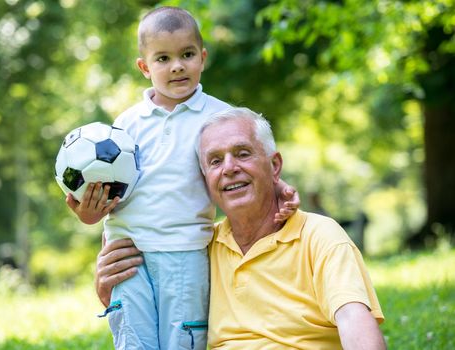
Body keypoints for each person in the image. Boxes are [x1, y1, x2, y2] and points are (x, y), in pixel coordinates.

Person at [65, 7, 299, 350]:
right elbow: (108, 190)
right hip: (127, 251)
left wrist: (280, 188)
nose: (177, 65)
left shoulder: (219, 116)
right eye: (163, 58)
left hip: (185, 252)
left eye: (186, 54)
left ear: (202, 58)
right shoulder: (125, 125)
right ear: (144, 67)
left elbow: (251, 163)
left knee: (183, 340)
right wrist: (90, 215)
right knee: (133, 340)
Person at [96, 107, 386, 349]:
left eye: (243, 153)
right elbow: (160, 315)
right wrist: (109, 289)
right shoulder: (200, 248)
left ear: (274, 166)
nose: (229, 168)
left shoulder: (318, 235)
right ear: (204, 180)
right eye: (215, 161)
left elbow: (353, 318)